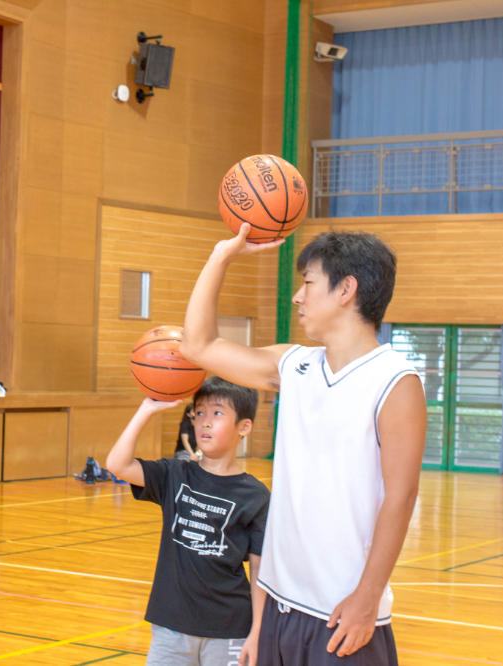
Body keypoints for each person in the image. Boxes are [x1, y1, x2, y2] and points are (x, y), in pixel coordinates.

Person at [181, 224, 426, 665]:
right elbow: (198, 345)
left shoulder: (394, 381)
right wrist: (221, 256)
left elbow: (401, 496)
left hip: (342, 613)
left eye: (309, 283)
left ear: (346, 289)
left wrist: (367, 599)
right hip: (278, 607)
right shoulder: (293, 364)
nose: (297, 296)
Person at [106, 377, 270, 666]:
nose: (205, 422)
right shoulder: (174, 474)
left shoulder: (256, 495)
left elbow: (260, 570)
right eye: (199, 413)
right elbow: (117, 465)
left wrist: (257, 632)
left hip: (230, 628)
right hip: (171, 626)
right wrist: (146, 409)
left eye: (217, 413)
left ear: (244, 426)